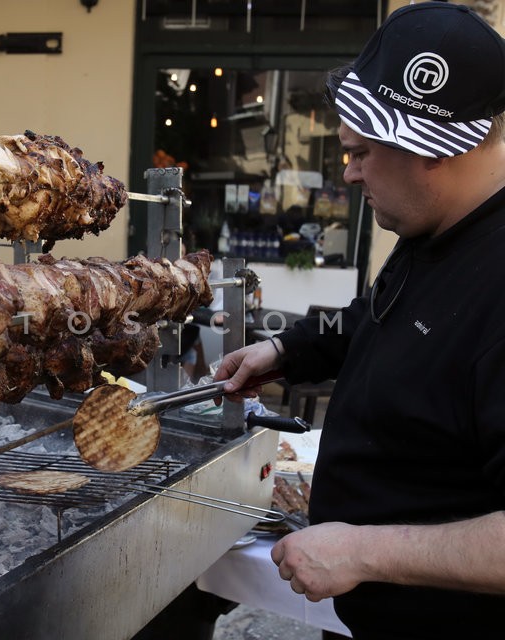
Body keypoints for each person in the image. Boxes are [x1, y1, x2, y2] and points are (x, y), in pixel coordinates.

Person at [213, 3, 505, 638]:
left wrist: (364, 552)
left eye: (361, 151)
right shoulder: (431, 230)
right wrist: (283, 351)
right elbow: (373, 319)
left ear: (429, 148)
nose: (346, 172)